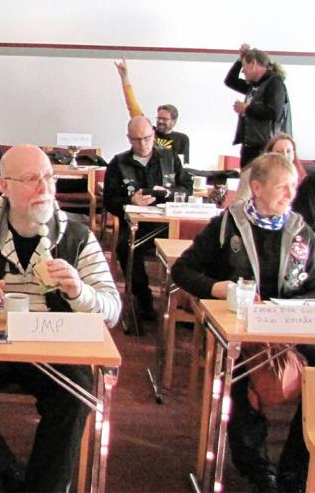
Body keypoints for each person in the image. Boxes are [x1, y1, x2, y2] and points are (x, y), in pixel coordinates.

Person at [0, 145, 120, 492]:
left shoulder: (77, 236)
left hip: (52, 345)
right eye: (31, 180)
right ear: (4, 185)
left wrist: (79, 292)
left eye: (49, 178)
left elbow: (112, 310)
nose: (44, 188)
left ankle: (45, 487)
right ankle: (6, 470)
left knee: (75, 393)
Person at [172, 153, 314, 493]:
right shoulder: (226, 226)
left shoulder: (302, 232)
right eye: (282, 187)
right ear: (257, 188)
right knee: (237, 372)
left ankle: (296, 469)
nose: (290, 195)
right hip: (240, 329)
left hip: (290, 326)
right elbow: (183, 270)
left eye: (293, 187)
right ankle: (258, 470)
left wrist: (294, 305)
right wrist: (216, 288)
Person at [102, 115, 191, 320]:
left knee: (193, 248)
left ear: (154, 134)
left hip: (169, 224)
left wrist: (170, 193)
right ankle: (142, 298)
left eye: (147, 138)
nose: (142, 144)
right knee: (126, 247)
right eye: (136, 139)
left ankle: (183, 304)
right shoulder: (118, 163)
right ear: (129, 139)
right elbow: (108, 200)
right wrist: (130, 201)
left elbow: (188, 187)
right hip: (137, 225)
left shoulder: (170, 158)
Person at [225, 44, 292, 168]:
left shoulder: (274, 84)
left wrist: (247, 109)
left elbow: (274, 113)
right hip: (250, 146)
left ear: (254, 64)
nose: (243, 71)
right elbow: (230, 81)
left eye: (244, 66)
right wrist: (240, 60)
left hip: (265, 148)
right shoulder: (255, 85)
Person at [114, 59, 190, 162]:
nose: (160, 121)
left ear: (174, 121)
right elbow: (132, 105)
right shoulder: (148, 131)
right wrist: (124, 77)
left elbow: (184, 164)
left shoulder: (182, 139)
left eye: (164, 119)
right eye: (159, 118)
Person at [235, 133, 308, 204]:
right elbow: (237, 205)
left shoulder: (300, 175)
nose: (285, 155)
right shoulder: (252, 173)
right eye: (279, 151)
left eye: (288, 151)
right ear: (270, 154)